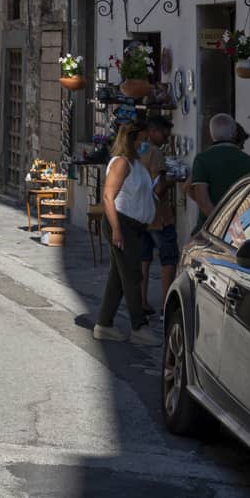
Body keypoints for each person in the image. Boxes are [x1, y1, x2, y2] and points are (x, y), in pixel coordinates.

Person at [94, 122, 159, 344]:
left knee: (118, 278)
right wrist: (116, 230)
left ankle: (104, 323)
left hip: (134, 227)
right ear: (130, 140)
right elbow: (108, 197)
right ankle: (139, 327)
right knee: (132, 276)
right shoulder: (121, 163)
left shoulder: (136, 164)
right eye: (141, 139)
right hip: (122, 224)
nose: (144, 144)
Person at [139, 115, 180, 316]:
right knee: (169, 258)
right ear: (153, 131)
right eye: (164, 133)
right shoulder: (155, 153)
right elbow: (159, 187)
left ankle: (142, 301)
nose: (166, 137)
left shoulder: (140, 150)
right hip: (159, 216)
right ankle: (167, 305)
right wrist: (173, 180)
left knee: (144, 259)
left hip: (141, 215)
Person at [187, 113, 250, 230]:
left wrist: (221, 225)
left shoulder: (202, 159)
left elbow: (202, 200)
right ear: (235, 134)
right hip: (240, 231)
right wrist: (232, 228)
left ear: (211, 134)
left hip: (208, 229)